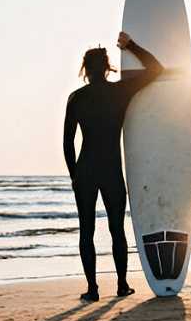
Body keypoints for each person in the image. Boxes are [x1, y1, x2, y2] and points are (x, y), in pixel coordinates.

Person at [63, 31, 164, 302]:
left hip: (85, 170)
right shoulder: (121, 92)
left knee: (87, 230)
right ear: (107, 67)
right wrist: (131, 45)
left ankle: (93, 289)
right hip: (111, 170)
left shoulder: (76, 98)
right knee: (116, 229)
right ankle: (121, 285)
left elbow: (68, 142)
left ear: (85, 68)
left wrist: (74, 176)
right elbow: (157, 69)